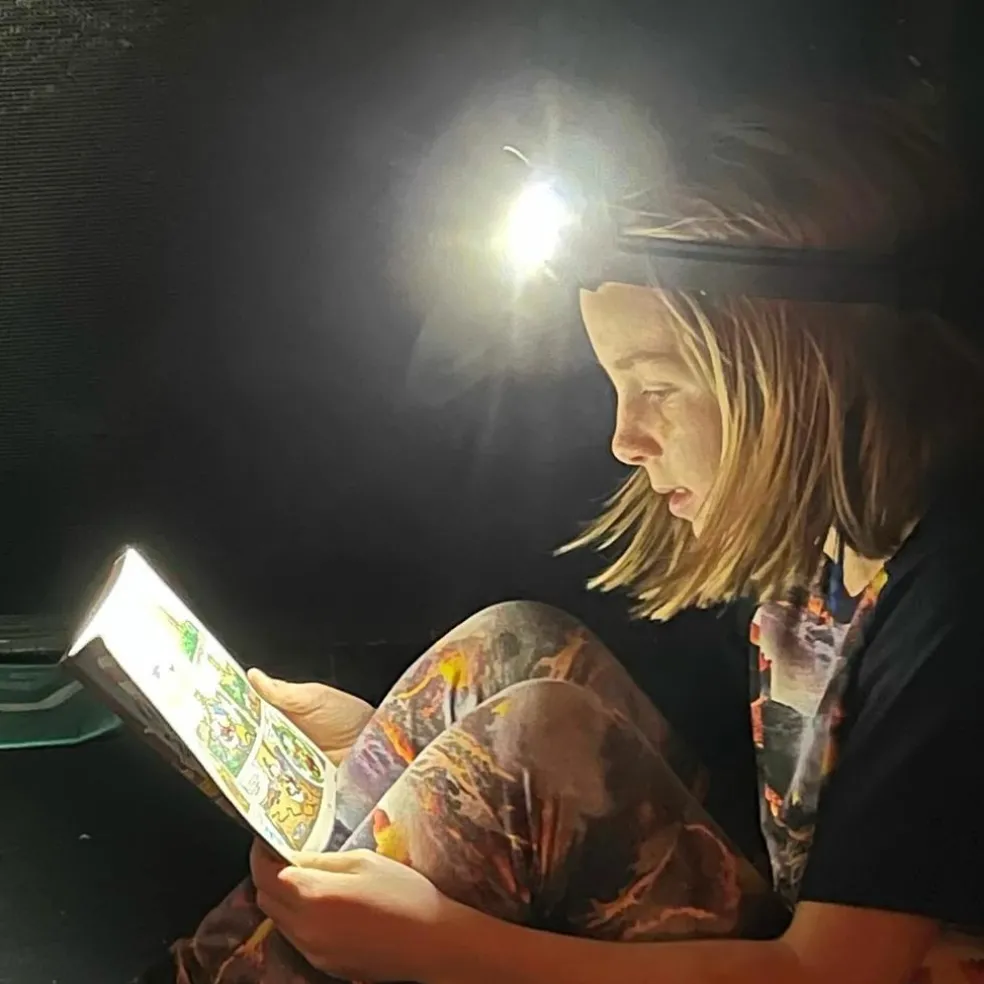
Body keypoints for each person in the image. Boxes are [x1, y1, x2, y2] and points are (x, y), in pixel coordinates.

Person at [141, 99, 984, 984]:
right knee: (514, 651)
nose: (625, 438)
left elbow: (831, 973)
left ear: (802, 373)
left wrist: (441, 948)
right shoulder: (825, 541)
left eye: (659, 386)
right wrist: (393, 754)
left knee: (535, 738)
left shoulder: (954, 605)